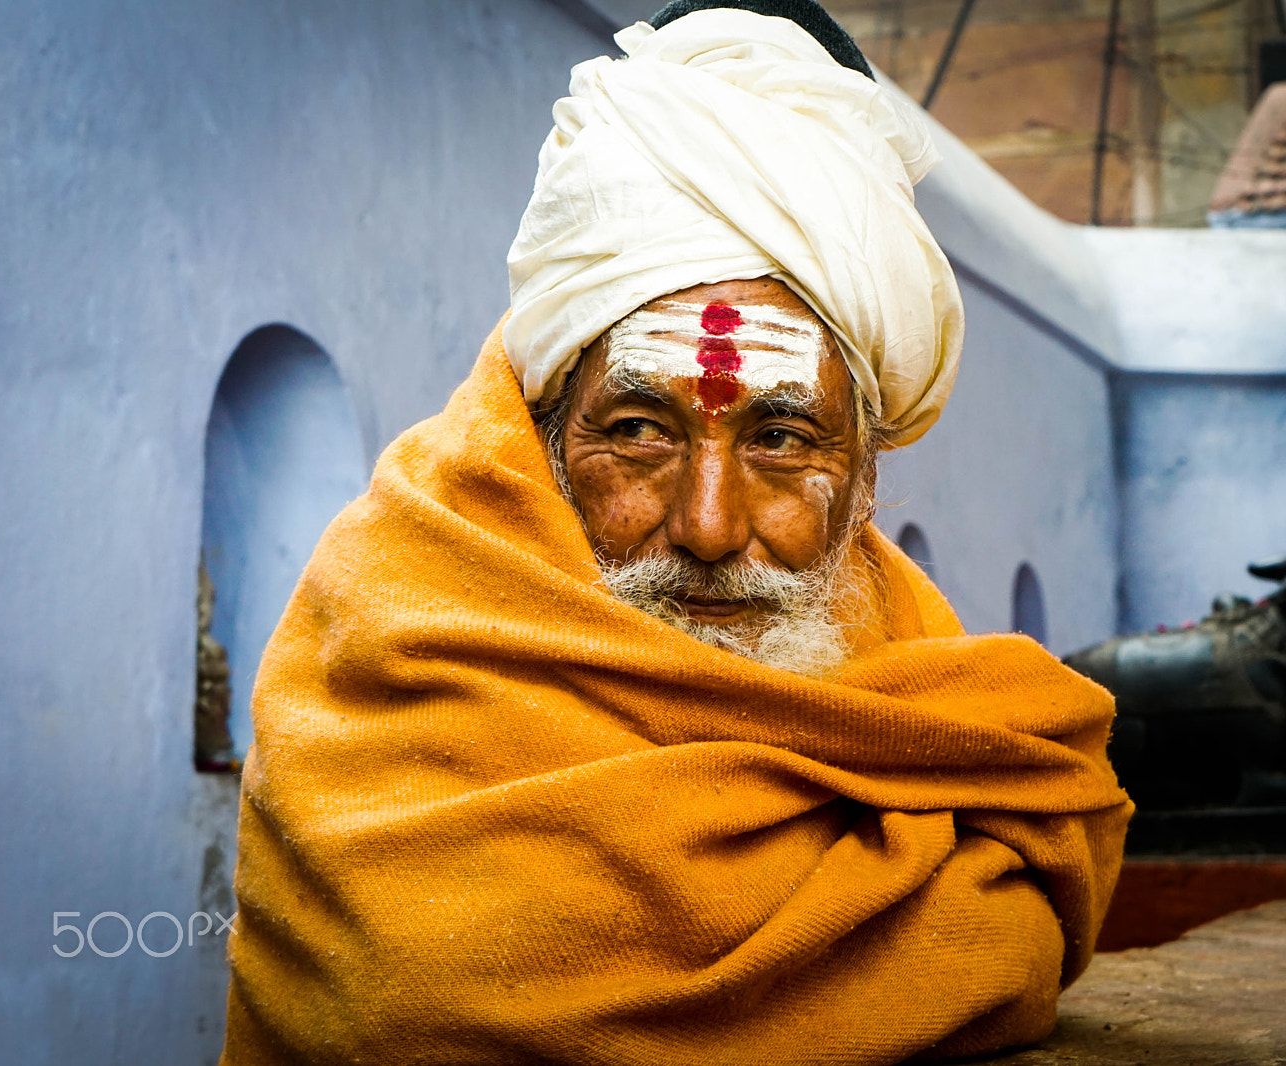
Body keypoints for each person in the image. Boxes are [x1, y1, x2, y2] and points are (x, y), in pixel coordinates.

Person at [219, 2, 1131, 1063]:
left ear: (867, 477)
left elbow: (1035, 896)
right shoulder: (398, 615)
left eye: (783, 438)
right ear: (546, 431)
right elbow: (409, 992)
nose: (707, 525)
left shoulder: (904, 639)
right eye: (641, 430)